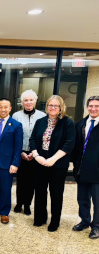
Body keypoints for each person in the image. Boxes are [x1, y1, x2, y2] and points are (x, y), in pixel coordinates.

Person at [30, 95, 75, 232]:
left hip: (58, 164)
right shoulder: (40, 121)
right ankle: (40, 218)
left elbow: (69, 144)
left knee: (56, 193)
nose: (53, 108)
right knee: (40, 192)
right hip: (40, 162)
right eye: (50, 105)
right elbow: (33, 140)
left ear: (61, 107)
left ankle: (55, 221)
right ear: (47, 107)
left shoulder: (67, 122)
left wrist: (53, 159)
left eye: (56, 106)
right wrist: (37, 156)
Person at [12, 90, 46, 215]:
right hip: (20, 152)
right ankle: (19, 203)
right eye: (26, 100)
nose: (28, 102)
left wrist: (34, 153)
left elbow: (44, 137)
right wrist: (20, 152)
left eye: (31, 100)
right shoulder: (16, 116)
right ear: (22, 102)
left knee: (31, 181)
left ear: (35, 101)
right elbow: (13, 136)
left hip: (35, 153)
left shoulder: (42, 116)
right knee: (20, 180)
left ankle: (27, 204)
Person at [72, 96, 99, 239]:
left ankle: (96, 226)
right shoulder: (81, 124)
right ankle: (85, 221)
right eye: (91, 106)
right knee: (82, 199)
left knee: (97, 201)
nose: (93, 109)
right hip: (81, 169)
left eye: (97, 106)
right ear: (87, 107)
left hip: (97, 171)